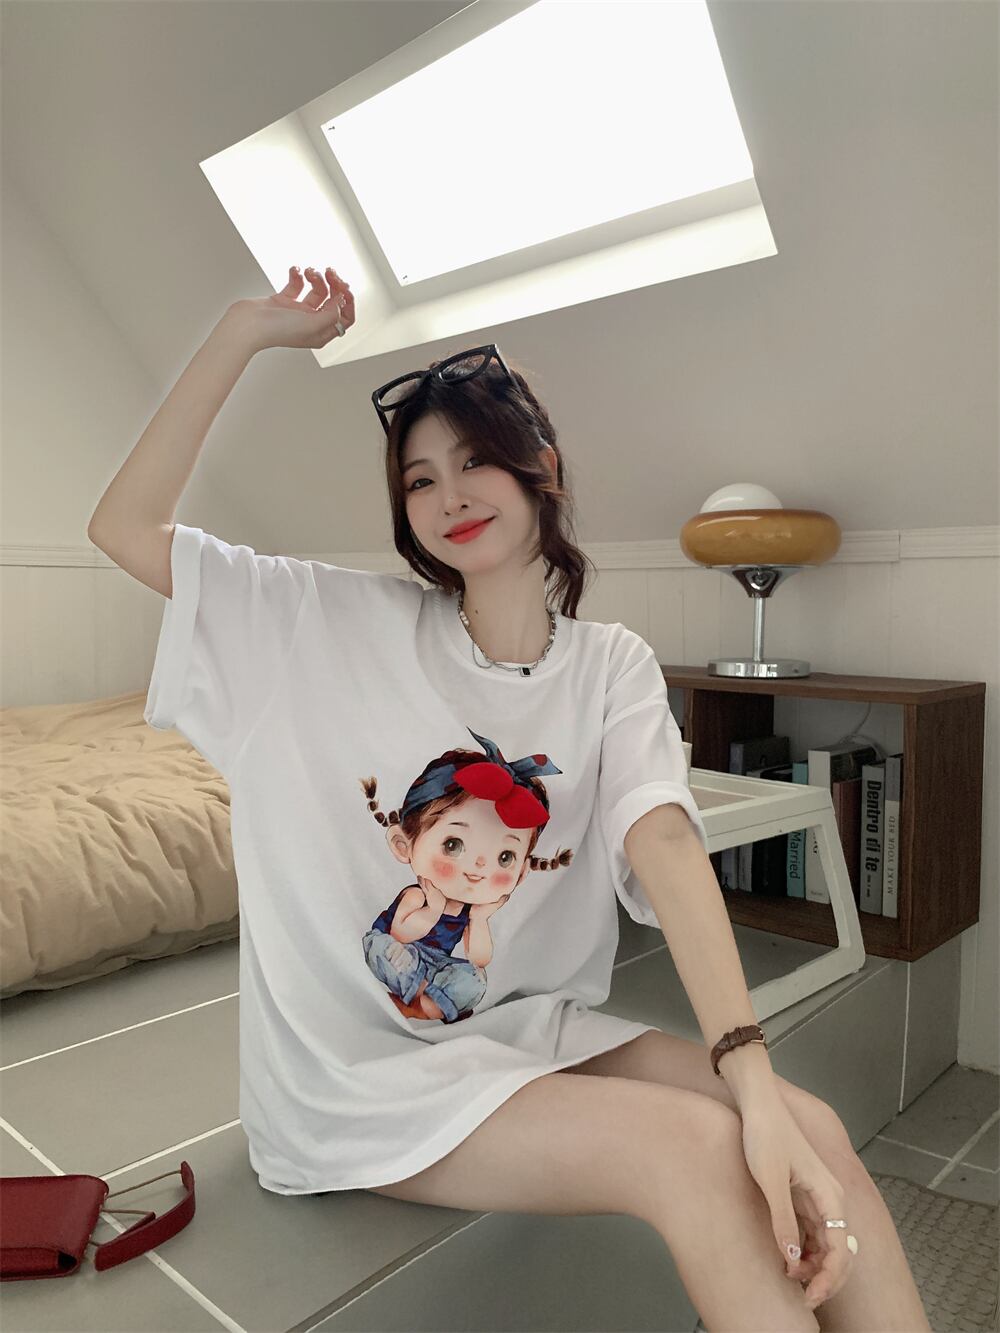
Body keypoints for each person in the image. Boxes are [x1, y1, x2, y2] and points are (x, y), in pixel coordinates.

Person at [88, 266, 930, 1333]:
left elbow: (666, 845)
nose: (450, 495)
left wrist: (755, 1083)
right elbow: (125, 527)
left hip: (531, 1034)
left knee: (812, 1130)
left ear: (543, 467)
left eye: (476, 459)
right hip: (357, 1077)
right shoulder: (323, 623)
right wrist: (241, 332)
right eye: (420, 478)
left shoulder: (611, 664)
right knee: (695, 1149)